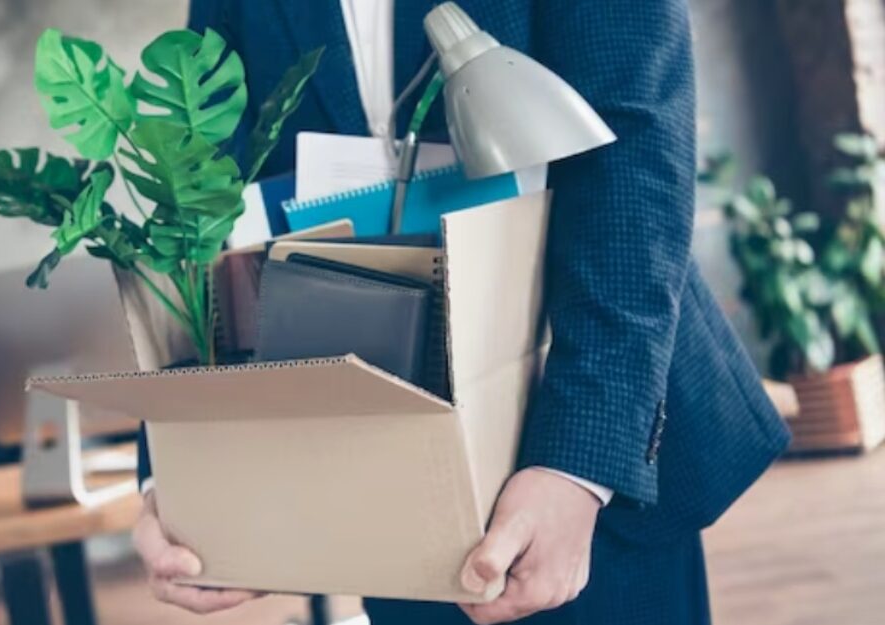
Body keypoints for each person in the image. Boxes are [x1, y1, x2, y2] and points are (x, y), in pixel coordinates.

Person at [133, 1, 791, 624]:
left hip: (580, 448)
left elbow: (636, 153)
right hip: (378, 466)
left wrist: (578, 467)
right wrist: (181, 463)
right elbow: (201, 177)